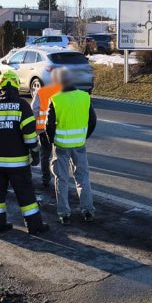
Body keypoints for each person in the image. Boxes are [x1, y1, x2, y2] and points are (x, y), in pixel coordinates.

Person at [0, 71, 48, 235]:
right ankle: (34, 226)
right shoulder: (22, 105)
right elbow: (30, 136)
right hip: (17, 162)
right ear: (16, 84)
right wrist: (35, 152)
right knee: (25, 194)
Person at [47, 68, 97, 225]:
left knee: (61, 178)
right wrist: (83, 136)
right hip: (79, 144)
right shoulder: (85, 97)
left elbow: (49, 125)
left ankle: (64, 213)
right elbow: (92, 121)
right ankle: (88, 210)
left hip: (61, 145)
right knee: (83, 177)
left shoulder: (55, 99)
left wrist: (51, 140)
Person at [31, 73, 62, 189]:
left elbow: (34, 111)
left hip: (43, 130)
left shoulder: (41, 92)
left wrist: (32, 128)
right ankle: (60, 179)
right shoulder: (63, 92)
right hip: (60, 129)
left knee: (45, 155)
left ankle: (46, 179)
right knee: (59, 155)